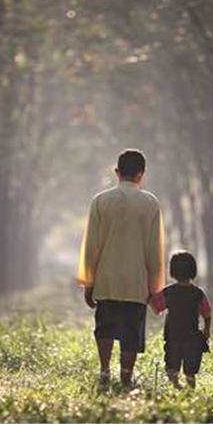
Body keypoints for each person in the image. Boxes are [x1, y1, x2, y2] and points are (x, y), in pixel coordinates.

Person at [77, 149, 166, 390]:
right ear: (141, 174)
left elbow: (91, 245)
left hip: (106, 279)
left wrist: (88, 282)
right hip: (136, 281)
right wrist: (155, 287)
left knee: (104, 326)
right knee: (131, 333)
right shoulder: (150, 203)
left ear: (117, 172)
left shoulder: (100, 201)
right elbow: (154, 250)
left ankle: (105, 371)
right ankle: (126, 378)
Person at [150, 251, 212, 389]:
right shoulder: (198, 293)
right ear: (193, 270)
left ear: (172, 271)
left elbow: (156, 309)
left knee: (171, 366)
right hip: (192, 337)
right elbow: (207, 313)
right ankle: (190, 392)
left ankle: (176, 385)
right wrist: (207, 329)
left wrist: (149, 297)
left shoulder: (168, 292)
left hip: (173, 336)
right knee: (190, 371)